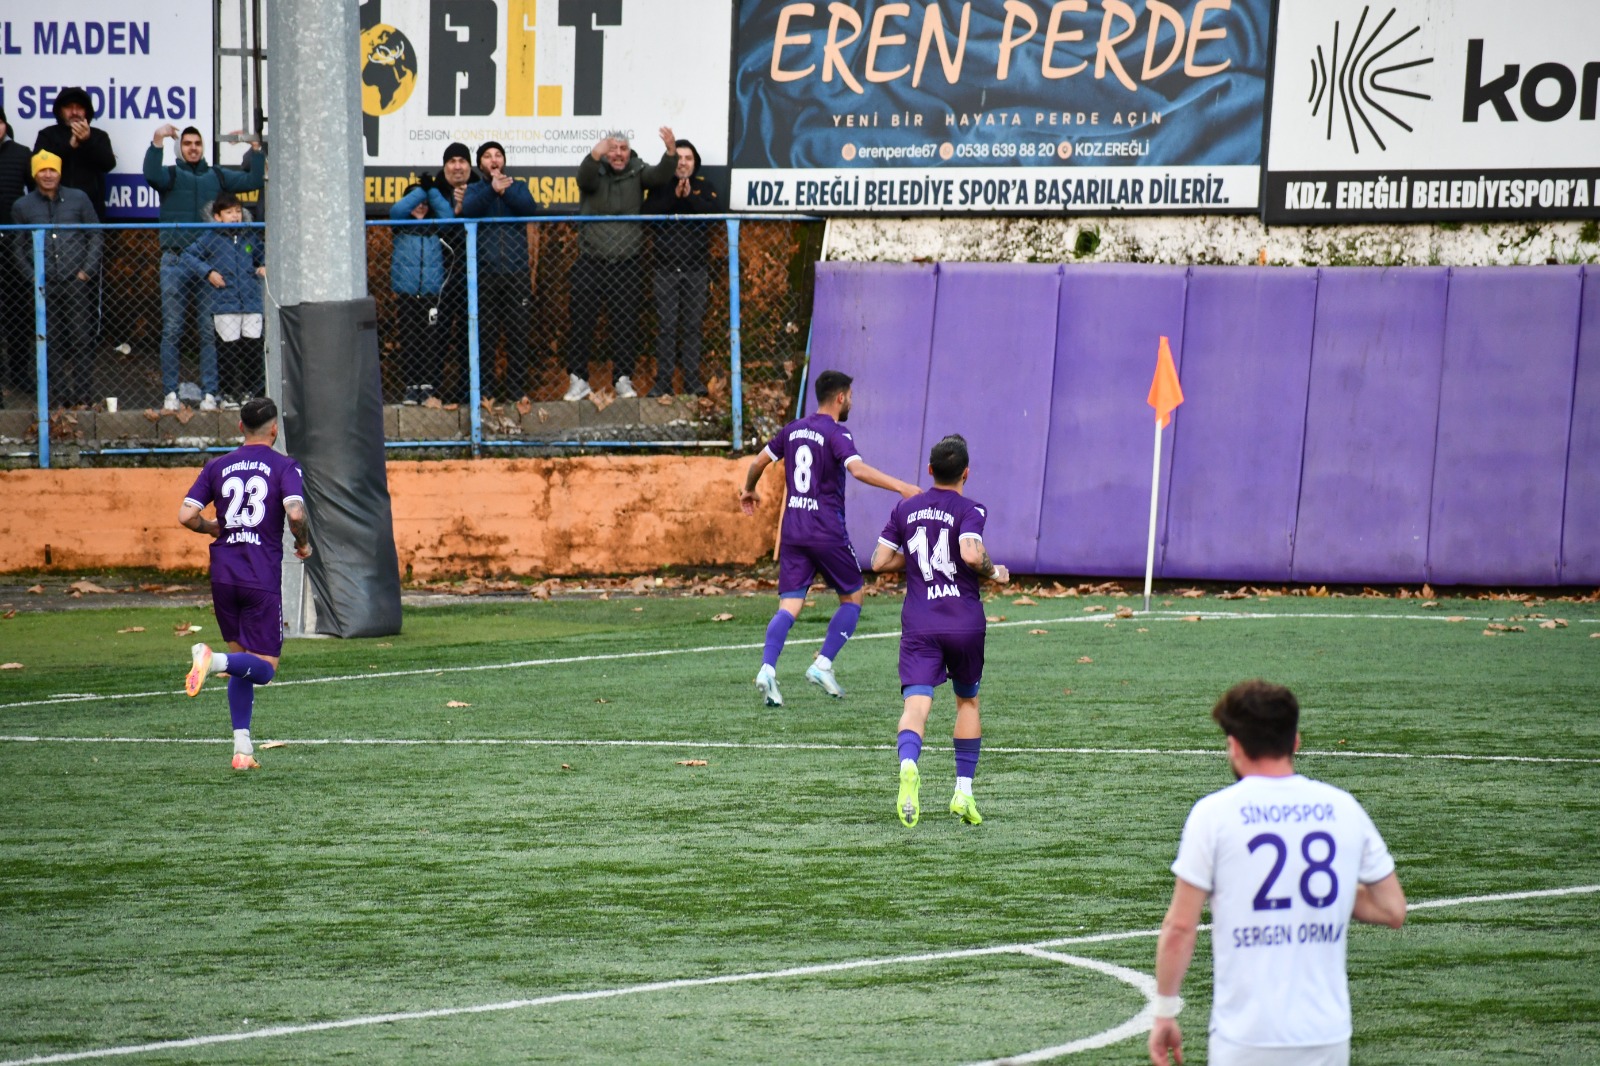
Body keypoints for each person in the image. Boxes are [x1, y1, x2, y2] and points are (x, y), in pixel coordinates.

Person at [1149, 680, 1407, 1066]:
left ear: (1234, 746)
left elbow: (1180, 927)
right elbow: (1392, 909)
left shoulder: (1214, 814)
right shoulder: (1343, 809)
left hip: (1246, 1036)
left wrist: (1165, 1012)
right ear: (1295, 742)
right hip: (1326, 1035)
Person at [739, 369, 919, 706]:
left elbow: (758, 462)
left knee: (789, 606)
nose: (851, 401)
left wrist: (748, 489)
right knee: (853, 597)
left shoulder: (792, 430)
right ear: (840, 397)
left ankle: (767, 669)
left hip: (793, 531)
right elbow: (858, 469)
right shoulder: (837, 433)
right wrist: (901, 487)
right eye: (850, 396)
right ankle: (822, 664)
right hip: (826, 531)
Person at [870, 434, 1009, 827]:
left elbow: (879, 561)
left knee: (915, 706)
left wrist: (918, 558)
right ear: (966, 473)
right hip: (964, 622)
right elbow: (971, 553)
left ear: (930, 470)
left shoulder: (905, 507)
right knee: (967, 702)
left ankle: (909, 765)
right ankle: (963, 792)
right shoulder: (971, 509)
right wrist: (995, 572)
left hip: (920, 623)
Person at [179, 396, 312, 771]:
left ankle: (242, 749)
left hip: (223, 575)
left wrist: (211, 527)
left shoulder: (217, 465)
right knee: (264, 669)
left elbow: (186, 515)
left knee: (243, 664)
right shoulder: (284, 465)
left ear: (240, 428)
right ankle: (212, 659)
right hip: (259, 576)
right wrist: (303, 543)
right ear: (274, 429)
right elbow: (296, 512)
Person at [145, 124, 265, 412]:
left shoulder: (217, 175)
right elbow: (151, 174)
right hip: (175, 260)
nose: (193, 148)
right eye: (187, 143)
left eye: (197, 143)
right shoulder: (171, 175)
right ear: (180, 148)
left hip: (210, 266)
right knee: (172, 330)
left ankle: (211, 393)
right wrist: (157, 140)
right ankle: (170, 393)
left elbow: (254, 179)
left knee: (208, 331)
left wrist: (256, 148)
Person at [566, 129, 676, 401]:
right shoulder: (595, 170)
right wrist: (595, 154)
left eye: (623, 149)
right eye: (613, 149)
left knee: (625, 323)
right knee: (581, 322)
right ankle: (578, 379)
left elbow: (660, 175)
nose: (618, 154)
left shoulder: (638, 170)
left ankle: (623, 379)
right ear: (605, 151)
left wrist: (671, 152)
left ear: (629, 152)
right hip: (591, 260)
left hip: (627, 263)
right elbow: (584, 178)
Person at [10, 151, 102, 408]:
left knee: (81, 338)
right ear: (34, 174)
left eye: (52, 170)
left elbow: (95, 234)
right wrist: (32, 277)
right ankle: (58, 396)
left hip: (75, 281)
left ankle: (83, 396)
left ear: (60, 173)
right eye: (42, 170)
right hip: (44, 284)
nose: (48, 175)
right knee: (50, 340)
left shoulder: (79, 198)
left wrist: (86, 271)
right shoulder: (22, 206)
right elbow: (17, 247)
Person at [459, 140, 540, 404]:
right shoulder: (474, 189)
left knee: (518, 334)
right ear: (480, 163)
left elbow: (529, 208)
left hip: (516, 273)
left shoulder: (518, 186)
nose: (493, 160)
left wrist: (504, 191)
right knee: (486, 335)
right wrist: (492, 190)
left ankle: (516, 391)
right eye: (487, 156)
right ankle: (486, 393)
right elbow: (469, 210)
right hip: (485, 274)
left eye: (498, 155)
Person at [643, 138, 719, 398]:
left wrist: (690, 198)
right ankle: (663, 382)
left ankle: (691, 382)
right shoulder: (660, 188)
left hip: (696, 270)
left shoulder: (704, 187)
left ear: (695, 163)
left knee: (692, 327)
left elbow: (715, 213)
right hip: (664, 270)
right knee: (666, 327)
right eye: (678, 158)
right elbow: (647, 214)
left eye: (688, 158)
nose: (683, 163)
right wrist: (674, 197)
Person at [181, 192, 266, 406]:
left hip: (251, 302)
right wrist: (208, 272)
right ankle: (228, 394)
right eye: (229, 212)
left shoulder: (249, 236)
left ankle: (252, 393)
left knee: (253, 350)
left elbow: (261, 254)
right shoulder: (210, 238)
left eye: (237, 211)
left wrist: (263, 265)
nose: (235, 216)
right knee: (228, 351)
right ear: (218, 217)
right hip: (224, 303)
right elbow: (188, 255)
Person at [388, 170, 453, 405]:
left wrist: (431, 191)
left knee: (429, 340)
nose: (421, 206)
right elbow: (397, 210)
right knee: (409, 338)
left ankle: (427, 386)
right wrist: (420, 190)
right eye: (416, 202)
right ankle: (411, 386)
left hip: (430, 294)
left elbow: (448, 215)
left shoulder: (435, 226)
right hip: (407, 293)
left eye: (425, 203)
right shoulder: (401, 225)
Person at [31, 87, 116, 222]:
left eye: (79, 107)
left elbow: (108, 164)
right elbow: (36, 165)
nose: (74, 112)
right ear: (60, 110)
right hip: (52, 208)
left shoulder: (99, 136)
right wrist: (69, 146)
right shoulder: (47, 135)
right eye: (69, 107)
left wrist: (87, 141)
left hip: (90, 208)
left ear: (86, 111)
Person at [0, 107, 34, 404]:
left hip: (14, 245)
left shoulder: (22, 154)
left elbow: (36, 192)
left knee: (18, 311)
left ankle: (20, 372)